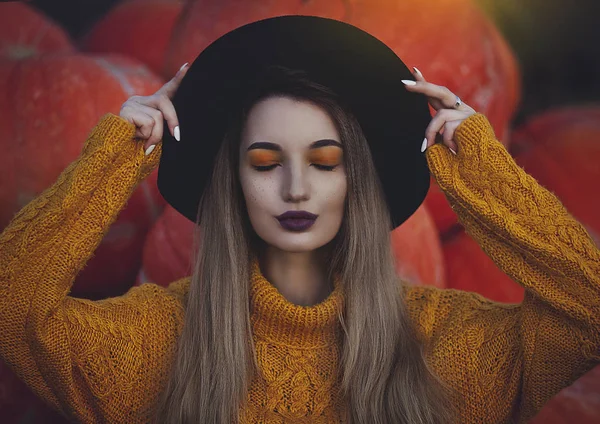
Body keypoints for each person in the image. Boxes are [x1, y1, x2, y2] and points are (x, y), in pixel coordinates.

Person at [0, 15, 598, 424]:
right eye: (264, 163)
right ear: (231, 185)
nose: (295, 187)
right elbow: (11, 306)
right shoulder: (156, 345)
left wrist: (478, 167)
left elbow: (590, 309)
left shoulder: (444, 347)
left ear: (356, 180)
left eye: (326, 161)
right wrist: (119, 156)